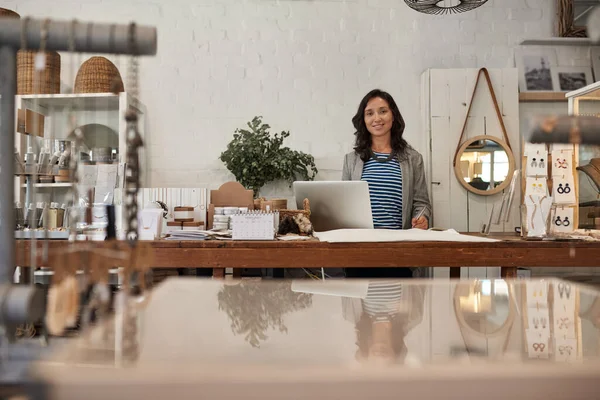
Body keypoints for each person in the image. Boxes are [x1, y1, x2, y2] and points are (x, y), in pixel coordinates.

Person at [342, 89, 432, 278]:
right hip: (360, 252)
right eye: (370, 113)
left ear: (393, 116)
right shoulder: (351, 160)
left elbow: (422, 203)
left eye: (383, 111)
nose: (377, 118)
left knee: (400, 307)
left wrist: (422, 219)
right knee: (359, 308)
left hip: (398, 252)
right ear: (363, 120)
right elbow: (344, 207)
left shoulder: (413, 159)